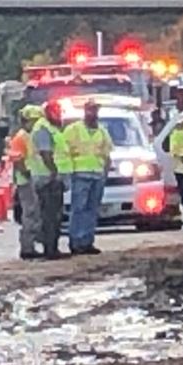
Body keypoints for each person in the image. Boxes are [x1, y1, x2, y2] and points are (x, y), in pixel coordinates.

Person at [14, 102, 64, 258]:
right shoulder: (21, 137)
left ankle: (37, 245)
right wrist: (27, 174)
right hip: (26, 181)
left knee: (39, 214)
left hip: (33, 177)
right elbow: (18, 160)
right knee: (30, 214)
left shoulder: (30, 135)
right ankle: (27, 248)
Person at [59, 99, 110, 253]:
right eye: (90, 110)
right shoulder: (73, 130)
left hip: (97, 175)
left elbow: (106, 154)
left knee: (92, 209)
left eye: (95, 110)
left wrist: (105, 173)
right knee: (79, 209)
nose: (92, 113)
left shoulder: (102, 131)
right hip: (80, 174)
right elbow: (63, 151)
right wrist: (67, 171)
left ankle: (87, 241)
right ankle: (76, 242)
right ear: (85, 111)